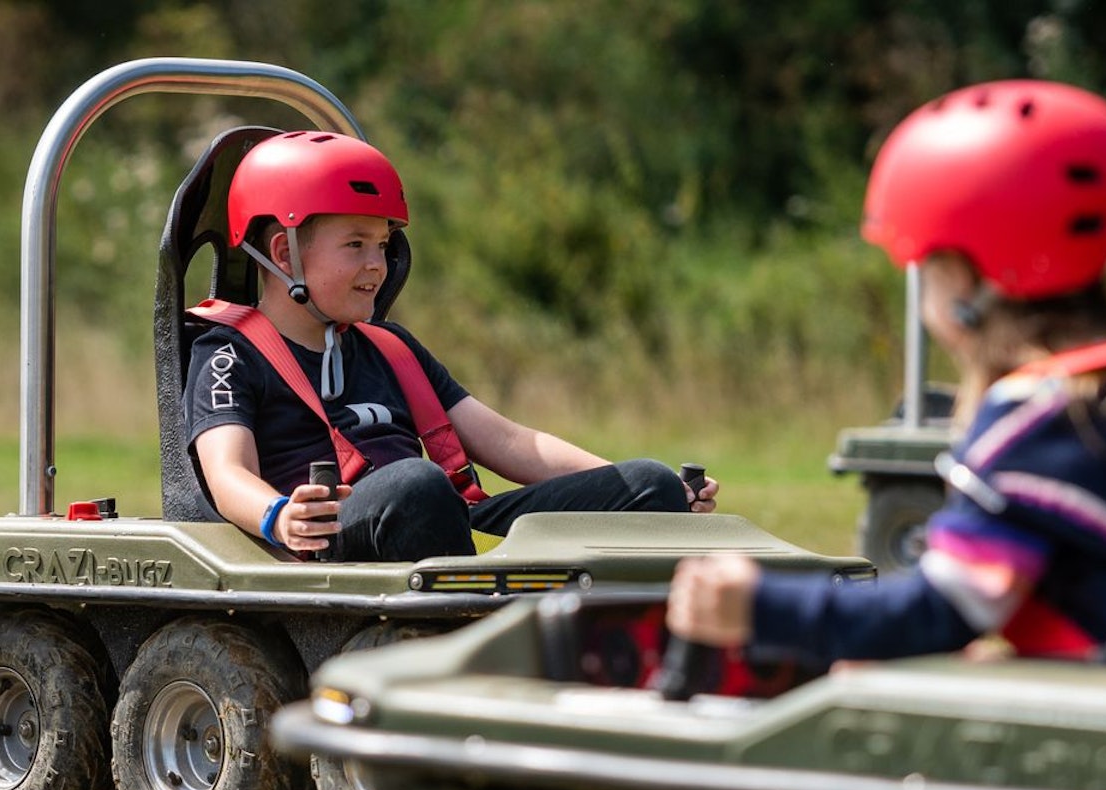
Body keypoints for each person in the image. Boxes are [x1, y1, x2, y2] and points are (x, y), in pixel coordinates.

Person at [667, 79, 1106, 668]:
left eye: (922, 268)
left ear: (968, 280)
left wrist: (762, 607)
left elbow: (940, 610)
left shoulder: (1039, 424)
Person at [184, 131, 717, 562]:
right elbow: (227, 472)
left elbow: (512, 443)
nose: (377, 265)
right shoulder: (228, 354)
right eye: (355, 245)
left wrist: (623, 480)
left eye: (384, 245)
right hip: (327, 542)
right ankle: (481, 628)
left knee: (648, 483)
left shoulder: (390, 347)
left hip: (440, 521)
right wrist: (280, 515)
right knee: (417, 484)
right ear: (283, 252)